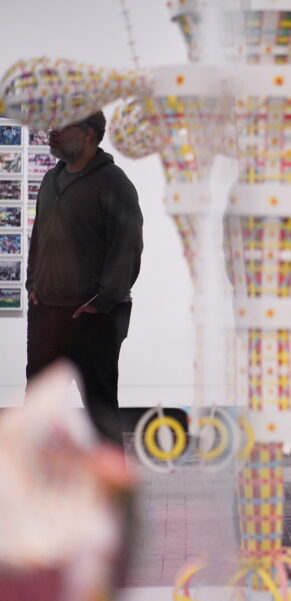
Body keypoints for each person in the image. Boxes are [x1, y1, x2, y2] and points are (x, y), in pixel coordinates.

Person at [25, 111, 143, 447]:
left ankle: (111, 496)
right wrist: (33, 285)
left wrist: (104, 300)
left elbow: (128, 245)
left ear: (88, 134)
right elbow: (39, 238)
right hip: (47, 313)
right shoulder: (51, 180)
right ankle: (37, 494)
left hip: (93, 319)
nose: (52, 131)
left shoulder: (114, 183)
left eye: (62, 127)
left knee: (99, 413)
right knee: (36, 413)